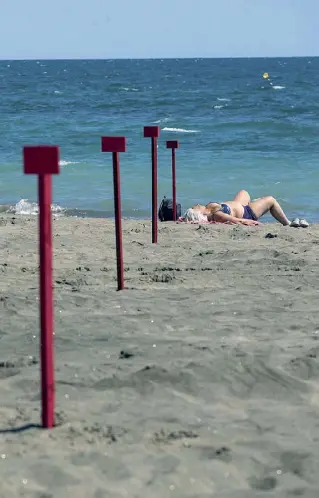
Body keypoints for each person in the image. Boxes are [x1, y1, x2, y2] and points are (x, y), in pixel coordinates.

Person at [183, 190, 309, 227]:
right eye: (194, 207)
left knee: (244, 192)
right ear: (197, 213)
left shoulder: (208, 208)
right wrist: (252, 222)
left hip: (238, 204)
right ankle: (287, 224)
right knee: (271, 200)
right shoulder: (216, 215)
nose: (196, 204)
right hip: (247, 213)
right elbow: (236, 220)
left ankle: (256, 202)